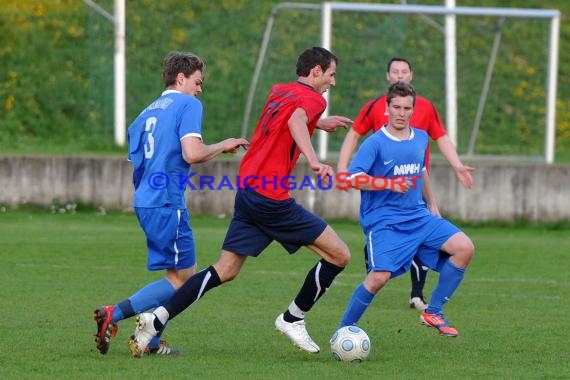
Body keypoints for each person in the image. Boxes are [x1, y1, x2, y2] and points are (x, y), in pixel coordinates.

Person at [128, 46, 353, 358]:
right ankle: (293, 318)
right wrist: (314, 160)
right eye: (331, 75)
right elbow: (296, 121)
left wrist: (319, 123)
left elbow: (287, 118)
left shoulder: (280, 91)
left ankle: (156, 319)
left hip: (248, 190)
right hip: (271, 198)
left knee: (226, 269)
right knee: (339, 255)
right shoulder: (315, 100)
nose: (332, 82)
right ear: (316, 72)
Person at [93, 51, 249, 356]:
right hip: (167, 203)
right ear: (181, 78)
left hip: (146, 201)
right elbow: (191, 153)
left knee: (177, 276)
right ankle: (116, 313)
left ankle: (149, 339)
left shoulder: (144, 114)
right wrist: (223, 145)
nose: (199, 89)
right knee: (183, 280)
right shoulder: (188, 104)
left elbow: (136, 165)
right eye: (197, 81)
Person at [336, 81, 474, 337]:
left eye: (406, 108)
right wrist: (387, 183)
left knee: (464, 248)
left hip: (419, 217)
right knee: (378, 279)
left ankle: (434, 311)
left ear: (413, 109)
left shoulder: (421, 138)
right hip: (385, 221)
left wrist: (432, 204)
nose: (401, 112)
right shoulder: (375, 143)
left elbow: (421, 170)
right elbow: (351, 178)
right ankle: (344, 330)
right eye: (396, 107)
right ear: (387, 108)